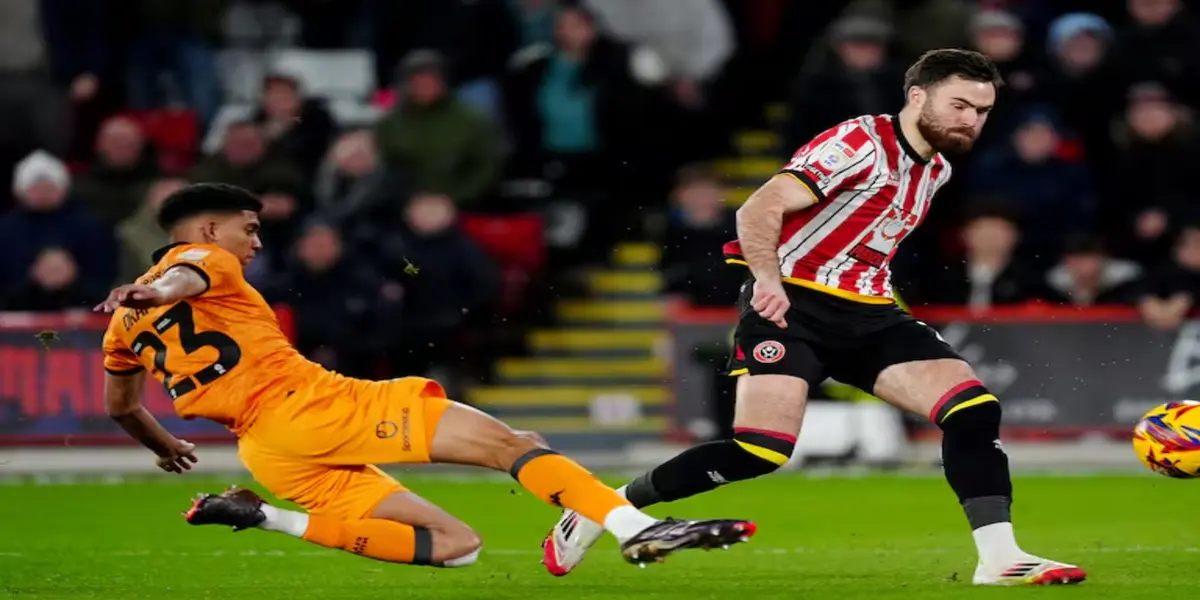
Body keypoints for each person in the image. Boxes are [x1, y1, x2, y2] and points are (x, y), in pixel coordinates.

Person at [540, 49, 1087, 586]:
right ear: (918, 96)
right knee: (760, 451)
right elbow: (758, 208)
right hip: (793, 305)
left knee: (973, 410)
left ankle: (999, 558)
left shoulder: (936, 169)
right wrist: (770, 282)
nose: (972, 121)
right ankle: (600, 507)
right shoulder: (859, 142)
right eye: (960, 105)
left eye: (982, 111)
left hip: (870, 312)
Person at [94, 182, 755, 569]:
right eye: (251, 229)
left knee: (455, 547)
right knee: (512, 444)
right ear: (212, 227)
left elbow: (121, 406)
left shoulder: (120, 327)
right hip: (313, 406)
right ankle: (638, 530)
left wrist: (166, 448)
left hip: (266, 452)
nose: (257, 242)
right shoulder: (203, 257)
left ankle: (261, 517)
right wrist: (158, 290)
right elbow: (186, 275)